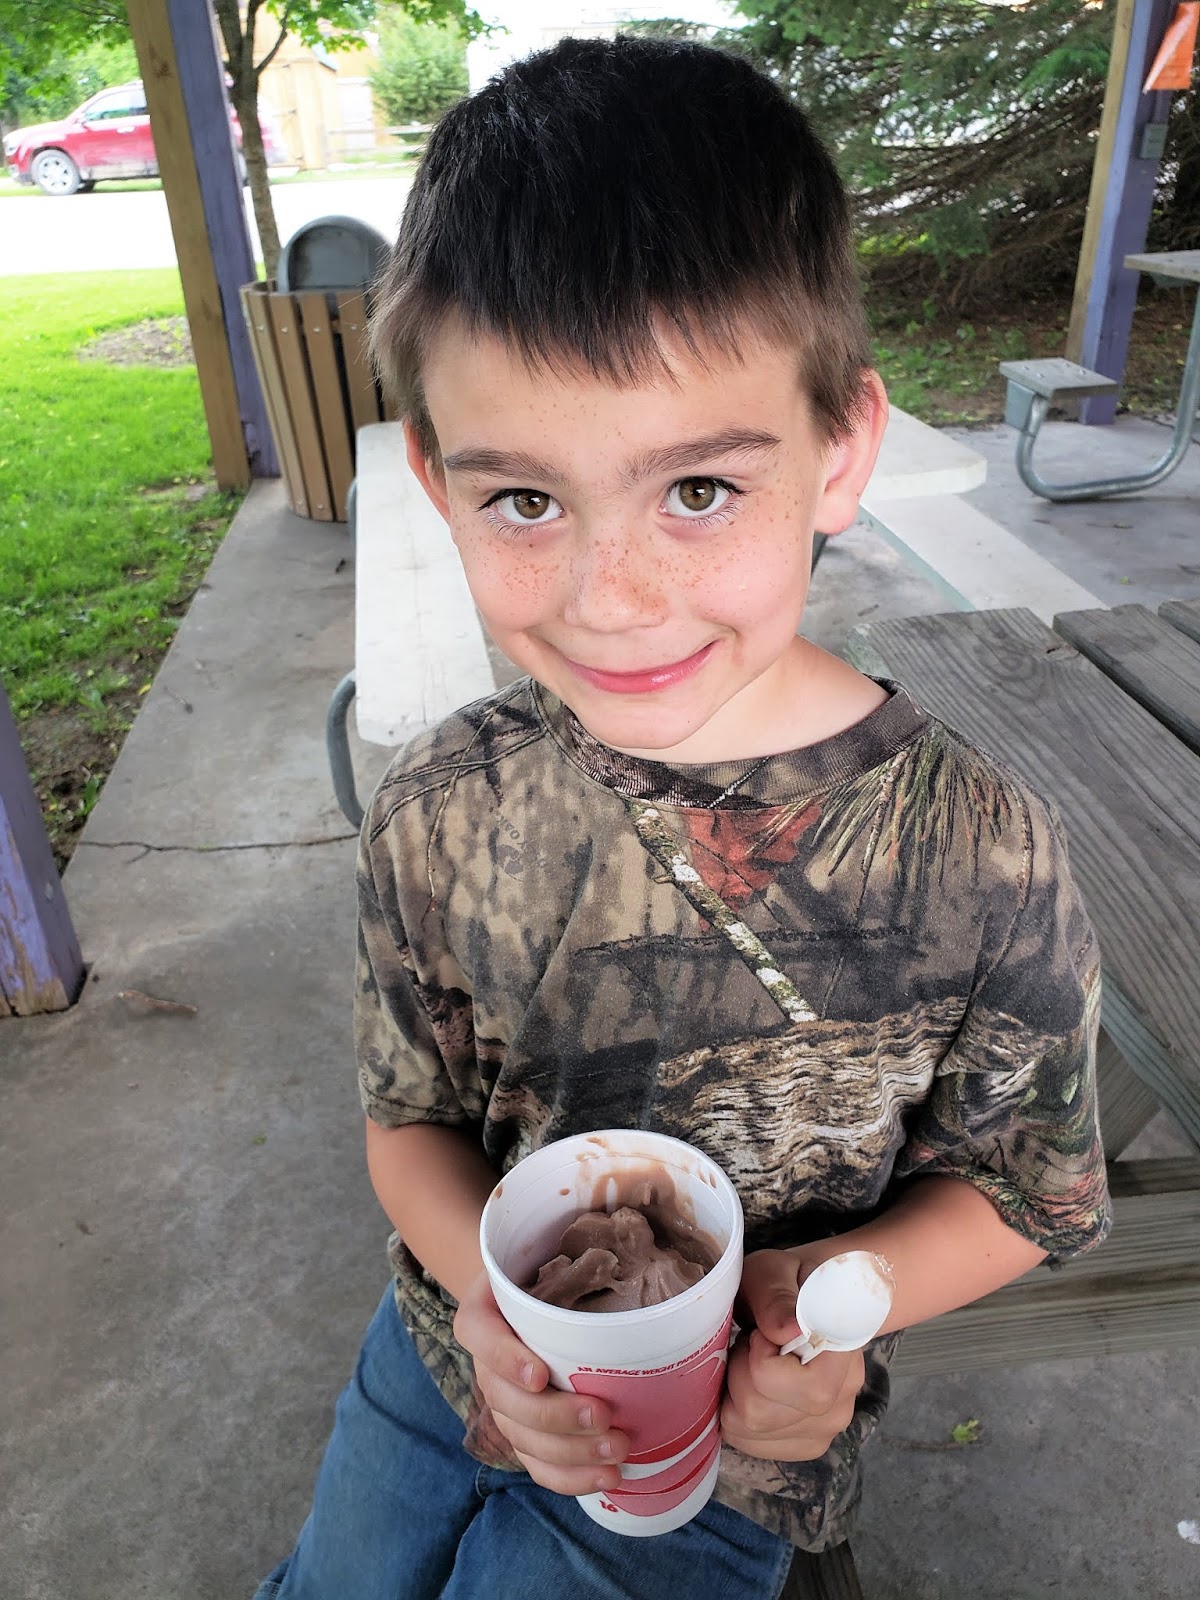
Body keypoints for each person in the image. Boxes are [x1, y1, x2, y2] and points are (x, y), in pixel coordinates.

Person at [254, 34, 1110, 1600]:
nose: (611, 597)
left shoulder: (987, 858)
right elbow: (408, 1126)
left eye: (698, 491)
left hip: (736, 1452)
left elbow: (1025, 1192)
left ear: (841, 448)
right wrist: (486, 1306)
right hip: (444, 1357)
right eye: (526, 500)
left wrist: (829, 1306)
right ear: (438, 483)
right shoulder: (437, 813)